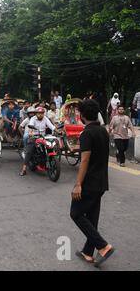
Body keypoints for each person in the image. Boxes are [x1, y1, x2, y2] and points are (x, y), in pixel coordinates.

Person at [70, 99, 115, 267]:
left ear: (81, 116)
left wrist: (78, 184)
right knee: (92, 217)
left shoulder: (87, 133)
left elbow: (85, 160)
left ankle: (103, 246)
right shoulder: (102, 131)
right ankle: (88, 252)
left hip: (89, 183)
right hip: (102, 182)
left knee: (75, 213)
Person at [19, 107, 55, 176]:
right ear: (36, 114)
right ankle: (24, 169)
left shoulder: (45, 118)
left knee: (50, 146)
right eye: (39, 113)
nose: (40, 115)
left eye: (42, 113)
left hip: (43, 137)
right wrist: (31, 132)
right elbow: (31, 126)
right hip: (34, 136)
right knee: (29, 151)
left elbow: (51, 126)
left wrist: (58, 131)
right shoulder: (33, 119)